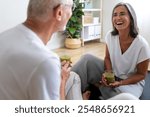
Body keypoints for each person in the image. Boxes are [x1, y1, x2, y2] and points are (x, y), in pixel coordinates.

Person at [0, 0, 79, 100]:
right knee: (74, 78)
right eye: (71, 8)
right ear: (59, 13)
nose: (71, 13)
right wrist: (62, 80)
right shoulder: (46, 61)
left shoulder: (3, 37)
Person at [71, 2, 150, 100]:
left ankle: (100, 89)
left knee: (127, 99)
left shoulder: (142, 45)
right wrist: (107, 73)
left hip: (130, 83)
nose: (118, 18)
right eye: (115, 15)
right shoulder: (110, 36)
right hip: (113, 74)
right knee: (86, 59)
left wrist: (120, 83)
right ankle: (69, 87)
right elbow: (107, 58)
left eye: (122, 14)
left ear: (131, 17)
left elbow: (141, 75)